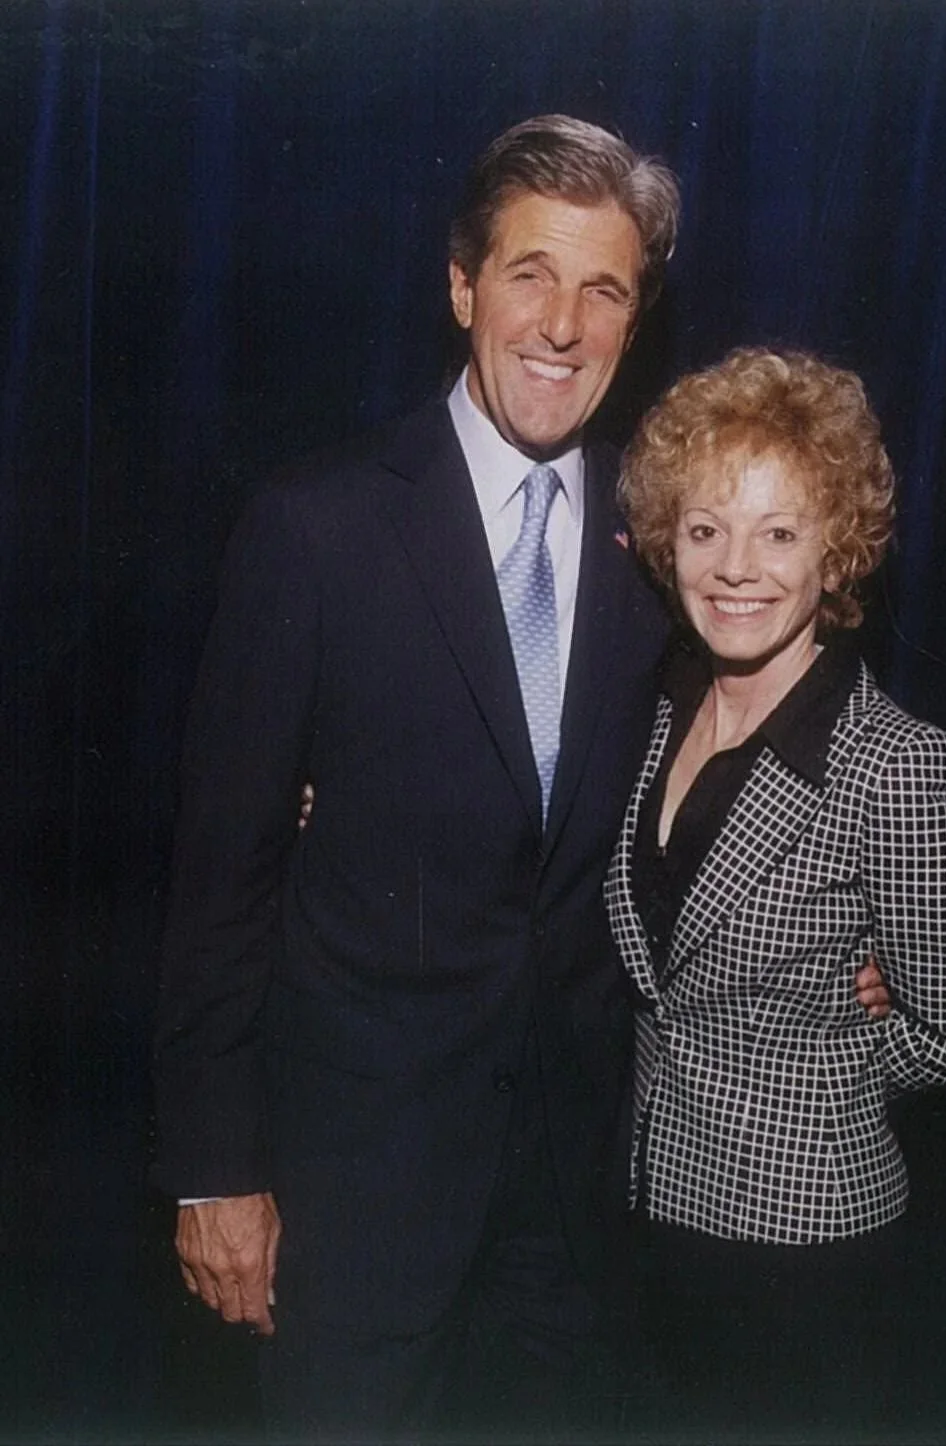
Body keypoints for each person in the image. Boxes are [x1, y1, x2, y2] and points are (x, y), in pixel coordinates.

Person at [152, 114, 681, 1442]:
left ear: (635, 320)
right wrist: (214, 1168)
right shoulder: (315, 526)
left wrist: (842, 939)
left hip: (577, 1215)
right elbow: (222, 881)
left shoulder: (669, 549)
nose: (561, 324)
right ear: (460, 287)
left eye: (603, 289)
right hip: (357, 1203)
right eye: (529, 274)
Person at [607, 345, 946, 1439]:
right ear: (667, 544)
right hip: (644, 1227)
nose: (736, 568)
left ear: (836, 552)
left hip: (805, 1257)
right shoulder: (653, 707)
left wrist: (821, 1044)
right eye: (705, 530)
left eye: (779, 533)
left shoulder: (900, 767)